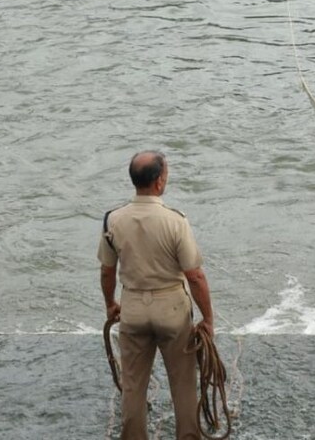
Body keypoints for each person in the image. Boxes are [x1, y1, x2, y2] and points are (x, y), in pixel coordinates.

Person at [98, 151, 214, 440]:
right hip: (172, 310)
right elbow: (195, 276)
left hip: (133, 308)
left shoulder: (113, 220)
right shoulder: (175, 221)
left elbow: (106, 271)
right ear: (159, 181)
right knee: (184, 384)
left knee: (133, 386)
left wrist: (111, 304)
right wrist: (208, 319)